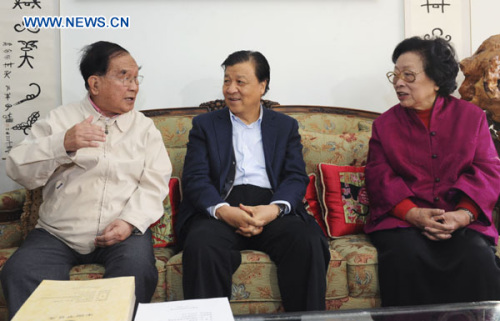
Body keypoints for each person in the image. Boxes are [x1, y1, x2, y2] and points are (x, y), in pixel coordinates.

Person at [2, 41, 172, 319]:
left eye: (136, 77)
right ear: (95, 84)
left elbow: (155, 183)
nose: (134, 86)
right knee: (20, 271)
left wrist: (129, 222)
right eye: (123, 77)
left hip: (121, 234)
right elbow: (18, 168)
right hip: (58, 234)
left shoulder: (144, 128)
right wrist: (62, 144)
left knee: (137, 270)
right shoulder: (61, 119)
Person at [175, 50, 330, 312]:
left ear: (262, 86)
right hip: (221, 208)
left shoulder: (285, 126)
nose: (231, 89)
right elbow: (195, 178)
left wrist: (273, 210)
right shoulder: (205, 125)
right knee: (202, 246)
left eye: (240, 82)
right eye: (226, 81)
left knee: (307, 241)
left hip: (271, 208)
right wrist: (224, 211)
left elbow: (295, 176)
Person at [364, 36, 500, 307]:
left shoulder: (472, 118)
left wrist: (463, 215)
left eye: (409, 75)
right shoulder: (384, 125)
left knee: (476, 255)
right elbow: (379, 176)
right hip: (403, 222)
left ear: (436, 80)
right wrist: (412, 214)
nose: (398, 82)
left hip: (461, 218)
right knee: (405, 256)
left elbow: (487, 170)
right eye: (396, 74)